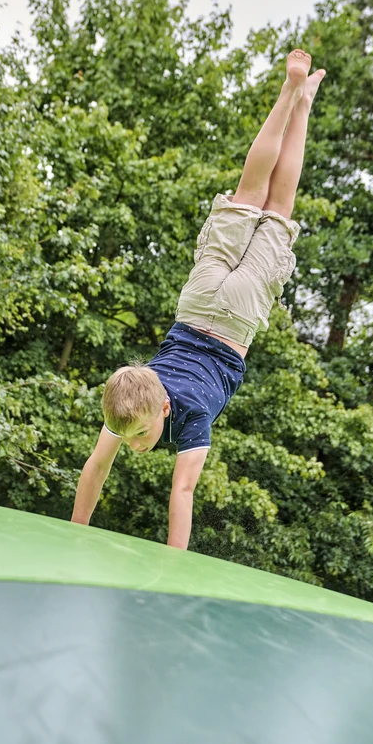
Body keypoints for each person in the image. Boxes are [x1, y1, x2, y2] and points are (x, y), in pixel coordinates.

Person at [71, 50, 325, 549]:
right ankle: (293, 93)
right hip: (197, 306)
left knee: (278, 204)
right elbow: (103, 462)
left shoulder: (191, 417)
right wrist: (73, 535)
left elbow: (180, 490)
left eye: (141, 435)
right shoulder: (132, 401)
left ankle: (301, 99)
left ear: (165, 406)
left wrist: (175, 568)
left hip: (236, 321)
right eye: (133, 437)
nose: (137, 445)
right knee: (252, 193)